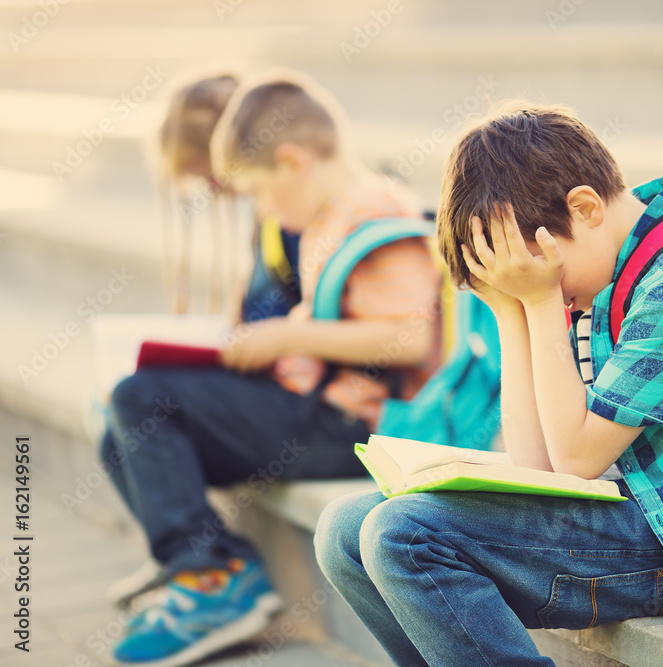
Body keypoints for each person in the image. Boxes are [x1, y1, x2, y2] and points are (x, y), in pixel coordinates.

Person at [314, 102, 663, 665]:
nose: (542, 289)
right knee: (344, 531)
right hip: (631, 516)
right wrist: (513, 311)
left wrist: (540, 301)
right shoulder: (598, 272)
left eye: (537, 273)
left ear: (585, 208)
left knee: (404, 534)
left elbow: (572, 461)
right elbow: (537, 462)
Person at [100, 71, 440, 667]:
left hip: (347, 427)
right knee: (121, 431)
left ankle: (214, 580)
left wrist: (287, 334)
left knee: (141, 399)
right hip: (309, 409)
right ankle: (208, 568)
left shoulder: (371, 208)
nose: (261, 209)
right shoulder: (329, 214)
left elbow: (412, 338)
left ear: (292, 162)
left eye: (259, 191)